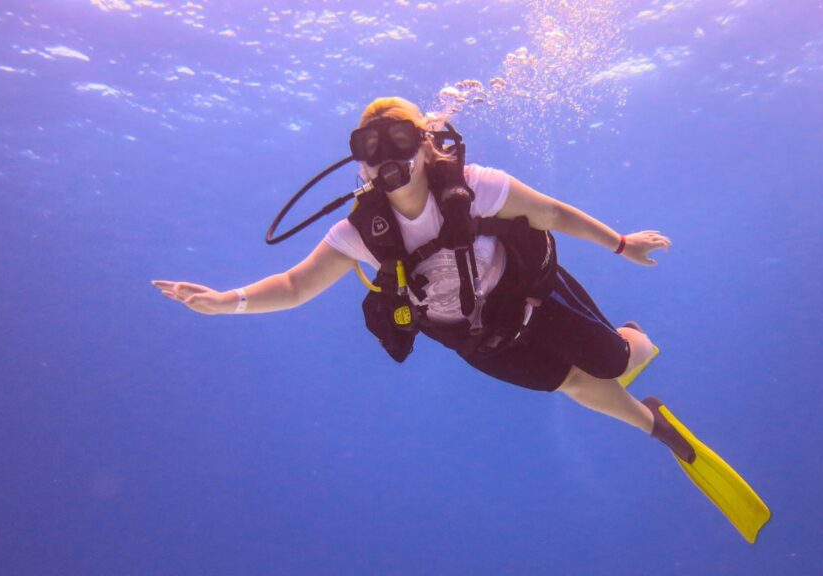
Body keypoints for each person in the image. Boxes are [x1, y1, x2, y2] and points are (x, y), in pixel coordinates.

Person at [152, 97, 770, 543]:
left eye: (398, 139)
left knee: (612, 362)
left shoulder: (477, 185)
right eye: (369, 146)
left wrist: (619, 243)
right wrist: (224, 300)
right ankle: (653, 424)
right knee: (577, 384)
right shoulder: (357, 232)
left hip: (532, 301)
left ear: (425, 145)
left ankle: (631, 341)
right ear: (360, 162)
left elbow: (551, 213)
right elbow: (292, 286)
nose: (385, 156)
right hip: (483, 344)